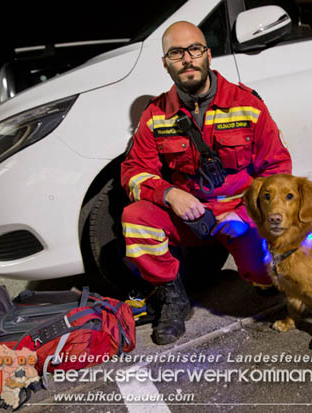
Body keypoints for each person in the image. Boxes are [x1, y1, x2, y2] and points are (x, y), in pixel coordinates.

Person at [121, 21, 292, 345]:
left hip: (242, 212)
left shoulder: (246, 103)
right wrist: (169, 194)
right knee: (136, 218)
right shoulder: (156, 115)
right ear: (165, 63)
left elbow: (277, 169)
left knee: (274, 270)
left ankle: (263, 276)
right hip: (192, 214)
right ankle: (173, 299)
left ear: (208, 55)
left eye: (194, 49)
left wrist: (244, 215)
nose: (187, 59)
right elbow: (133, 172)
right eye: (176, 53)